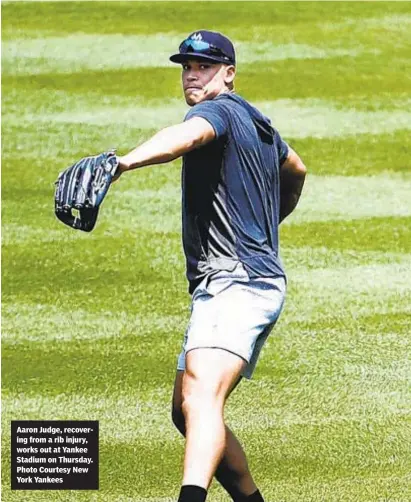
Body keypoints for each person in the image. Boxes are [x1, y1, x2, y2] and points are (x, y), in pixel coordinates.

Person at [115, 30, 306, 502]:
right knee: (187, 410)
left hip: (235, 282)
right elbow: (296, 168)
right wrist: (268, 223)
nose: (192, 75)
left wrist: (122, 163)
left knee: (201, 398)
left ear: (229, 74)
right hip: (247, 279)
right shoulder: (258, 122)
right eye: (186, 67)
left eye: (203, 66)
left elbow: (188, 136)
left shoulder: (216, 112)